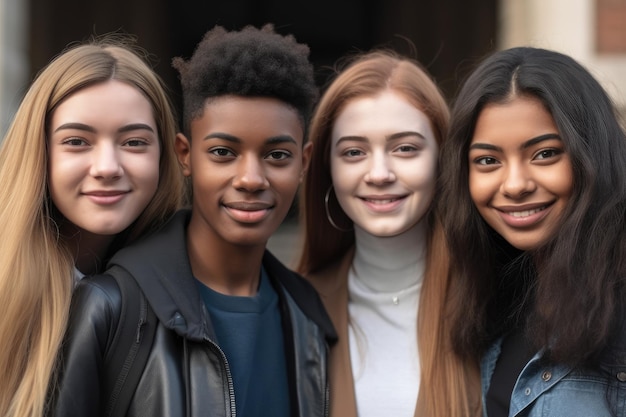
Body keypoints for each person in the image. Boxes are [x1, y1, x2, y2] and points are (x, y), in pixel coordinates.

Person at [50, 24, 337, 417]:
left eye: (277, 156)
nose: (251, 179)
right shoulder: (109, 308)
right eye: (222, 152)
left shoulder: (311, 318)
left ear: (303, 163)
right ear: (185, 155)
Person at [0, 37, 182, 417]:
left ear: (165, 157)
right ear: (39, 153)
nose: (106, 167)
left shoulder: (181, 294)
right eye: (77, 141)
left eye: (133, 142)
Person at [439, 46, 626, 416]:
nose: (515, 185)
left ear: (595, 155)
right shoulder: (492, 303)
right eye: (488, 160)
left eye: (544, 154)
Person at [297, 50, 481, 417]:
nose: (379, 173)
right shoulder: (294, 309)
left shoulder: (492, 299)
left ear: (443, 159)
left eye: (406, 148)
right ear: (326, 169)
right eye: (353, 152)